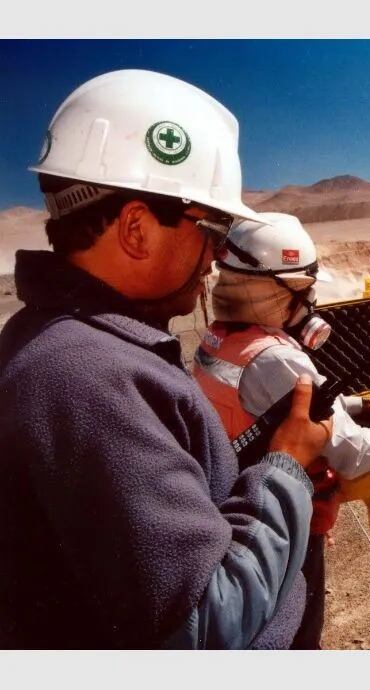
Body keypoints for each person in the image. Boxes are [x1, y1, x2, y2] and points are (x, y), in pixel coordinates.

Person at [0, 70, 331, 649]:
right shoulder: (87, 380)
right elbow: (207, 628)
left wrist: (266, 484)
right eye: (212, 227)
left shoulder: (73, 347)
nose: (215, 257)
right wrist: (286, 470)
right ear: (135, 229)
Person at [193, 212, 370, 648]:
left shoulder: (220, 340)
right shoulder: (277, 358)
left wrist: (363, 403)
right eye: (303, 292)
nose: (310, 306)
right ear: (270, 291)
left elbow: (287, 411)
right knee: (299, 638)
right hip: (284, 526)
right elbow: (355, 453)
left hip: (240, 502)